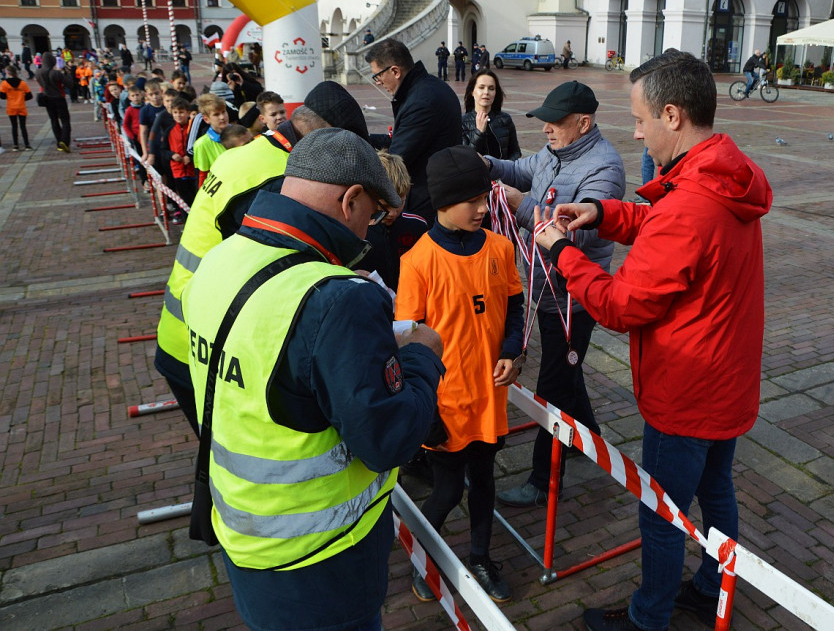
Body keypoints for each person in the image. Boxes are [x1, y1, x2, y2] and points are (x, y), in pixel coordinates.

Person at [529, 50, 772, 631]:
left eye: (639, 121)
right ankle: (713, 585)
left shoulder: (692, 203)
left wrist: (562, 253)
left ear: (672, 115)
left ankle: (649, 617)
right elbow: (660, 226)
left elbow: (619, 305)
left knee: (662, 514)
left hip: (686, 391)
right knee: (717, 489)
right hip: (726, 380)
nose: (634, 133)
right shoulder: (721, 175)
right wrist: (601, 212)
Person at [181, 127, 445, 631]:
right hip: (323, 557)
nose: (370, 231)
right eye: (372, 214)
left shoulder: (221, 259)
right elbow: (387, 440)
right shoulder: (337, 296)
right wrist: (422, 358)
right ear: (350, 199)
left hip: (245, 534)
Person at [154, 81, 371, 436]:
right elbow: (279, 275)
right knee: (236, 464)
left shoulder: (247, 154)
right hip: (210, 349)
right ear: (321, 136)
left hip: (188, 329)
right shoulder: (281, 178)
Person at [395, 145, 525, 604]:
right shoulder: (419, 261)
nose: (484, 207)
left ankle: (481, 557)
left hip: (489, 395)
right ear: (443, 202)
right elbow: (407, 340)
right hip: (445, 403)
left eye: (485, 196)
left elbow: (513, 304)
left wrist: (512, 350)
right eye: (472, 200)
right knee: (448, 488)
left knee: (485, 481)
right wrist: (421, 404)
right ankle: (422, 558)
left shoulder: (500, 247)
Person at [488, 80, 626, 508]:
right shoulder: (554, 151)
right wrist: (485, 164)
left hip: (575, 298)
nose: (546, 129)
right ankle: (591, 440)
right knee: (566, 370)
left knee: (552, 384)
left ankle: (543, 479)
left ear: (583, 123)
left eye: (555, 122)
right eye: (544, 121)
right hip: (545, 291)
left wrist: (521, 206)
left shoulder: (605, 168)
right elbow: (523, 169)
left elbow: (576, 240)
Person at [365, 38, 462, 223]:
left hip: (427, 200)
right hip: (436, 191)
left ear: (395, 71)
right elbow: (403, 138)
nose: (378, 82)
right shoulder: (428, 86)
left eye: (378, 76)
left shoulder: (420, 102)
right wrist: (364, 138)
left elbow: (398, 159)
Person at [352, 150, 428, 293]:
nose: (392, 213)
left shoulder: (418, 226)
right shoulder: (353, 230)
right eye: (384, 206)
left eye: (399, 203)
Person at [461, 69, 521, 161]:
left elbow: (516, 152)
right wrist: (479, 132)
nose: (486, 92)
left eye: (491, 88)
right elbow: (465, 159)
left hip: (503, 174)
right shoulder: (462, 122)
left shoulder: (505, 119)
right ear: (472, 91)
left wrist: (504, 168)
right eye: (481, 87)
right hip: (476, 174)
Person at [192, 93, 230, 186]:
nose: (222, 117)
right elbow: (202, 176)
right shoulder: (202, 144)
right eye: (216, 114)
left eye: (223, 112)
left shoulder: (239, 133)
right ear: (206, 119)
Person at [37, 52, 72, 152]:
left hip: (47, 98)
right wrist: (67, 74)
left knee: (54, 120)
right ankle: (65, 141)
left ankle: (59, 142)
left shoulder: (38, 72)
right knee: (65, 120)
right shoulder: (56, 73)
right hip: (58, 97)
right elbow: (69, 84)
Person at [1, 65, 33, 152]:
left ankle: (15, 145)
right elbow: (29, 96)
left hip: (11, 107)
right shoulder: (22, 83)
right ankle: (27, 144)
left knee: (14, 126)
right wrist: (22, 98)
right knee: (23, 126)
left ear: (7, 73)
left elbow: (2, 96)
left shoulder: (4, 83)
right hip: (21, 106)